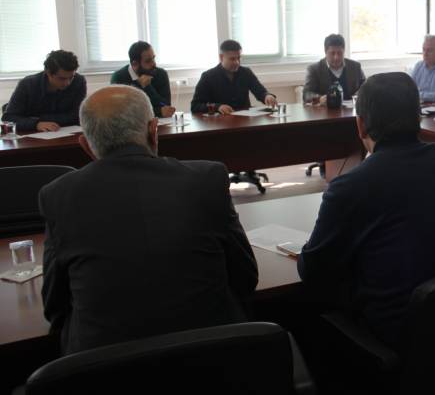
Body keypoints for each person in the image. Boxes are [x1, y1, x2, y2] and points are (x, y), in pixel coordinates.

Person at [39, 85, 258, 354]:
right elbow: (245, 278)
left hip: (101, 367)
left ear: (85, 144)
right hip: (214, 357)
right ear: (153, 130)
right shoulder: (206, 178)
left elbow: (54, 305)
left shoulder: (59, 195)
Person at [297, 72, 435, 350]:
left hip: (398, 337)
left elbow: (313, 271)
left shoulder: (351, 186)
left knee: (295, 310)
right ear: (418, 117)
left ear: (361, 125)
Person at [2, 50, 86, 132]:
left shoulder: (79, 81)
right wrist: (36, 124)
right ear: (48, 73)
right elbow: (8, 118)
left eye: (71, 77)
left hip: (66, 133)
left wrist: (38, 118)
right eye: (62, 78)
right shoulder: (28, 84)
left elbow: (78, 116)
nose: (67, 83)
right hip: (32, 135)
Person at [191, 39, 277, 114]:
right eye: (232, 59)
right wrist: (218, 107)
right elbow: (195, 106)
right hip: (220, 123)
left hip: (245, 122)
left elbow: (260, 92)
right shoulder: (208, 76)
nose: (237, 62)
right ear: (221, 57)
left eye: (239, 58)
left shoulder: (246, 72)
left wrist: (267, 96)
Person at [110, 41, 175, 118]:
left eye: (153, 58)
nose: (154, 64)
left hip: (159, 123)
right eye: (148, 61)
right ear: (135, 64)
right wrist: (158, 112)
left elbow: (165, 105)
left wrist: (148, 87)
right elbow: (120, 112)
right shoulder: (119, 77)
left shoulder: (160, 74)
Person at [303, 33, 366, 104]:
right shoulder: (314, 69)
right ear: (325, 52)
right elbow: (306, 94)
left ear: (344, 51)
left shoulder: (355, 67)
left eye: (339, 53)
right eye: (332, 53)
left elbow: (366, 87)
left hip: (351, 109)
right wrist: (319, 99)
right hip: (326, 109)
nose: (336, 57)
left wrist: (359, 94)